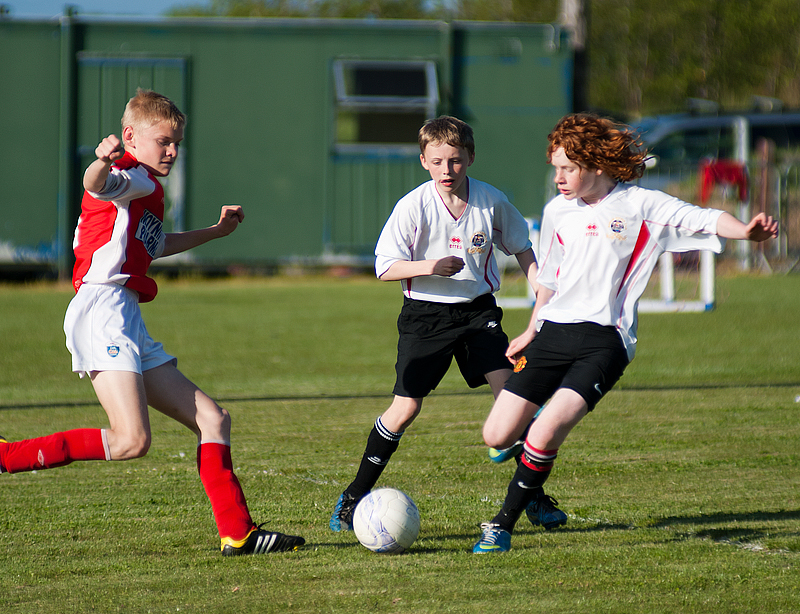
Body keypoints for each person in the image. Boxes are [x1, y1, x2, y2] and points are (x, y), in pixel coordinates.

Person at [0, 89, 304, 556]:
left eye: (177, 142)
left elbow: (155, 246)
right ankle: (7, 455)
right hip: (103, 309)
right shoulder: (130, 176)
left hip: (124, 314)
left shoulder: (146, 186)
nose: (173, 151)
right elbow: (95, 182)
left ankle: (238, 535)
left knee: (213, 418)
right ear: (131, 137)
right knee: (130, 441)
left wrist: (215, 232)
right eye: (163, 140)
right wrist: (102, 161)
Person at [472, 112, 779, 554]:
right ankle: (535, 442)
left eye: (567, 169)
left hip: (605, 342)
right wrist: (532, 328)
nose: (557, 177)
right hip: (554, 332)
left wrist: (746, 232)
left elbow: (706, 218)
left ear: (596, 165)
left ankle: (501, 525)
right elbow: (551, 280)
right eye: (555, 167)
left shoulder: (641, 206)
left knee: (544, 436)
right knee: (496, 436)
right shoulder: (558, 211)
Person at [329, 115, 565, 533]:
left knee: (510, 401)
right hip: (425, 317)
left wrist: (540, 292)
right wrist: (431, 266)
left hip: (478, 313)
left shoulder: (491, 201)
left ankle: (537, 501)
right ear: (423, 161)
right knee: (405, 409)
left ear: (470, 158)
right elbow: (384, 267)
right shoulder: (413, 205)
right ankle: (353, 496)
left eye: (455, 161)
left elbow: (524, 249)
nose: (447, 171)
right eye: (437, 161)